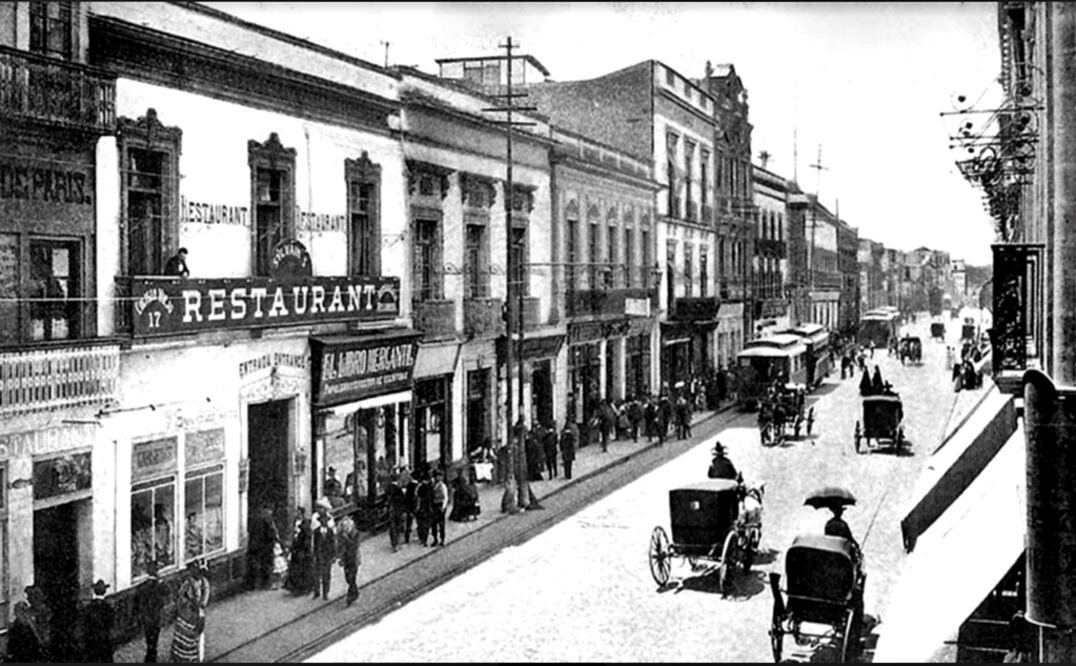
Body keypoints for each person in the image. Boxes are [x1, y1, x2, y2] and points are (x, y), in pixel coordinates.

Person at [171, 559, 211, 663]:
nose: (199, 574)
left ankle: (194, 658)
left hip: (197, 616)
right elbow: (179, 596)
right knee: (185, 637)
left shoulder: (204, 583)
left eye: (201, 572)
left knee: (196, 637)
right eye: (198, 571)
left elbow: (204, 599)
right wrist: (188, 603)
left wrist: (200, 604)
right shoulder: (188, 583)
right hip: (186, 615)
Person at [135, 559, 171, 662]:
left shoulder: (141, 587)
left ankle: (149, 657)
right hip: (156, 617)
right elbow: (168, 591)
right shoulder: (160, 585)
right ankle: (151, 658)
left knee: (149, 639)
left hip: (146, 618)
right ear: (157, 572)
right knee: (154, 640)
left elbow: (137, 603)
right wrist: (161, 581)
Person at [82, 578, 114, 663]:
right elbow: (111, 624)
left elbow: (85, 624)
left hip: (91, 639)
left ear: (95, 592)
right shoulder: (108, 607)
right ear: (105, 592)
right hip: (104, 638)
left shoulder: (89, 607)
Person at [284, 511, 313, 596]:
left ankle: (303, 588)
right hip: (297, 551)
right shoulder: (296, 524)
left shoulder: (305, 526)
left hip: (302, 552)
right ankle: (296, 587)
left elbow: (306, 540)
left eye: (298, 513)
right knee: (296, 569)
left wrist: (304, 549)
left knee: (301, 570)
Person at [337, 511, 362, 607]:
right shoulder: (343, 535)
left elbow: (355, 546)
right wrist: (340, 557)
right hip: (346, 559)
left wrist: (346, 538)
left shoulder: (356, 534)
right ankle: (355, 593)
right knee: (348, 578)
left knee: (352, 577)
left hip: (354, 558)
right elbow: (341, 546)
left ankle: (351, 596)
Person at [312, 510, 336, 600]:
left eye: (325, 520)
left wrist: (334, 556)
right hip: (318, 556)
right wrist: (314, 554)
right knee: (316, 575)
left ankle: (326, 593)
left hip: (327, 556)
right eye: (322, 520)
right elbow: (314, 544)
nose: (324, 521)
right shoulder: (316, 531)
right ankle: (317, 592)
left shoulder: (330, 532)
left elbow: (333, 544)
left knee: (326, 575)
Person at [24, 584, 52, 658]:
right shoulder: (27, 612)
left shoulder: (46, 612)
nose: (28, 598)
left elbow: (45, 635)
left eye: (32, 595)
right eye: (29, 596)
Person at [386, 472, 406, 552]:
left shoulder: (388, 489)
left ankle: (393, 543)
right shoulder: (398, 489)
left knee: (392, 527)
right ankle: (396, 543)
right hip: (398, 510)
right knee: (398, 526)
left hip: (391, 510)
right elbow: (402, 500)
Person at [430, 468, 449, 547]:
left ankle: (442, 539)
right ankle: (435, 539)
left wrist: (443, 507)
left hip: (440, 506)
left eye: (439, 476)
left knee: (441, 524)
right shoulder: (432, 485)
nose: (437, 478)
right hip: (434, 505)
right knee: (433, 524)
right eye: (436, 476)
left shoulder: (443, 486)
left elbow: (446, 497)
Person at [415, 469, 434, 546]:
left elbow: (418, 497)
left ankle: (422, 539)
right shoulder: (430, 486)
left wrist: (417, 507)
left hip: (422, 507)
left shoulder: (420, 487)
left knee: (420, 524)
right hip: (428, 507)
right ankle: (425, 539)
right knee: (426, 524)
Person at [402, 467, 417, 544]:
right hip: (411, 506)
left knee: (409, 523)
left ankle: (408, 537)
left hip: (410, 506)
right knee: (410, 522)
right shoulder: (414, 485)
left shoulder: (411, 485)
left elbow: (411, 497)